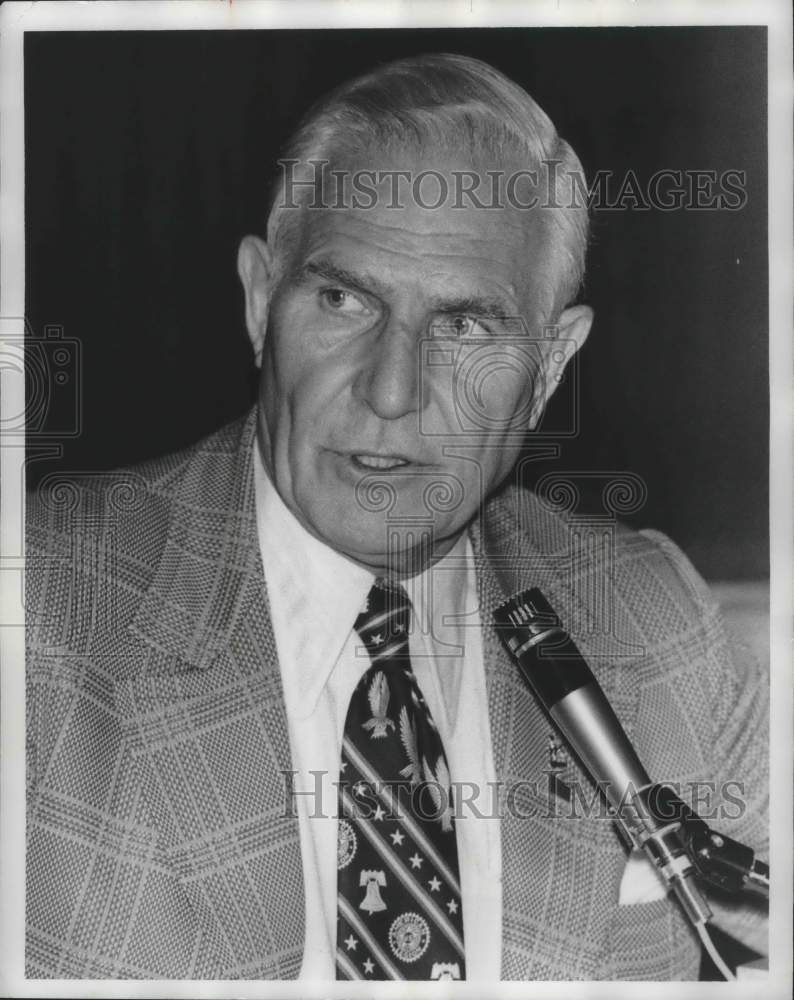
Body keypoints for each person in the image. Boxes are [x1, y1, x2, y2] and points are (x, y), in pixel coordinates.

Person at [25, 53, 767, 981]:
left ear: (550, 366)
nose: (390, 390)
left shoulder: (655, 623)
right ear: (261, 302)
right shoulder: (37, 614)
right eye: (344, 300)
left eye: (464, 328)